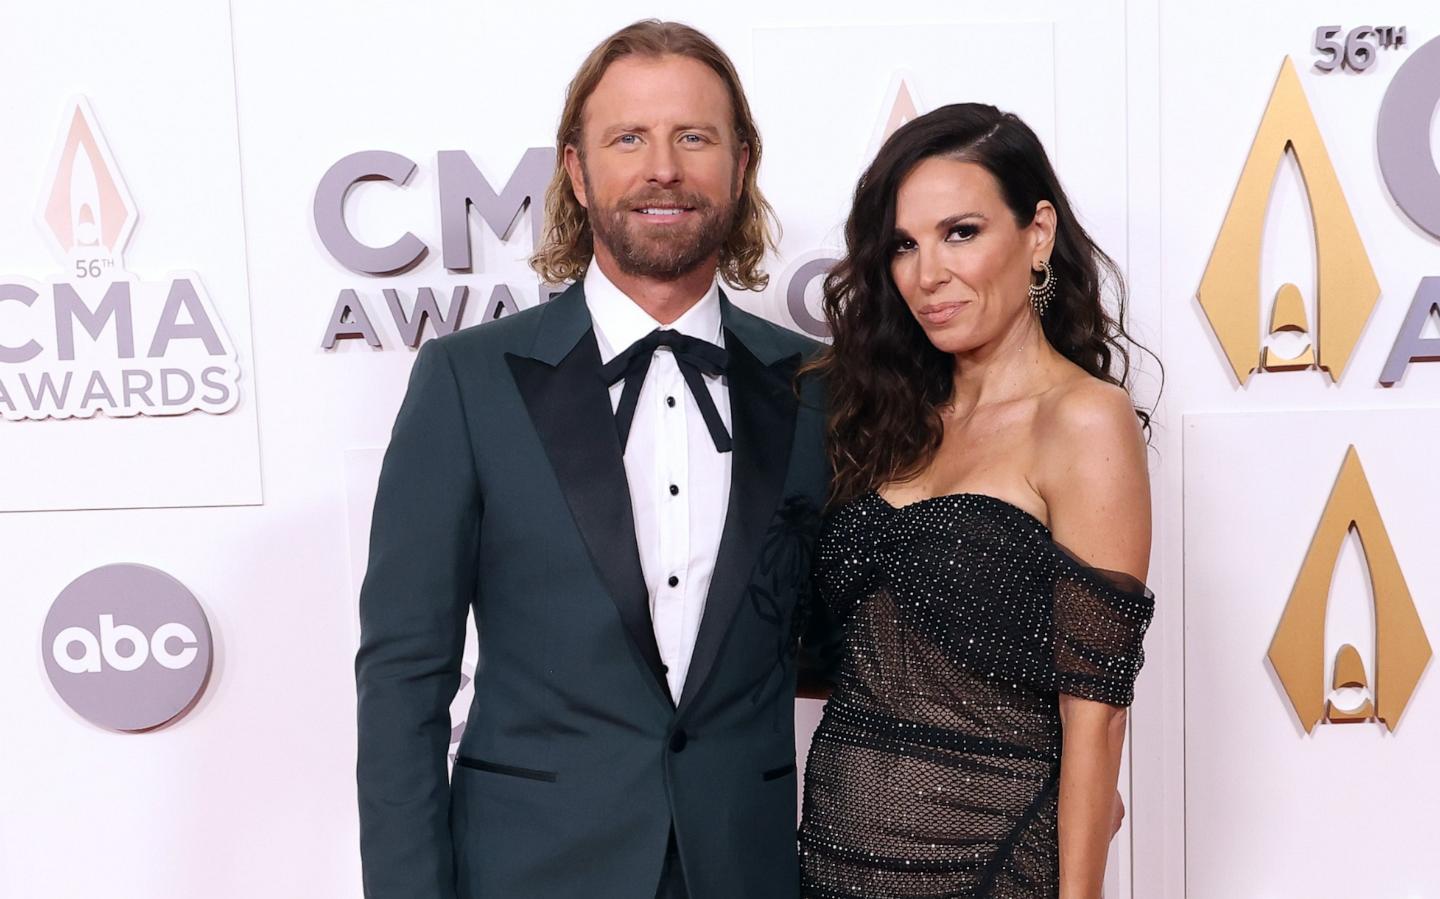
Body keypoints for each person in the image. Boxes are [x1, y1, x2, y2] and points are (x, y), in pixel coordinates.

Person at [355, 20, 836, 899]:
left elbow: (853, 639)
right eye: (629, 138)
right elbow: (402, 680)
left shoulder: (815, 388)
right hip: (529, 871)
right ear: (577, 170)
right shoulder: (467, 381)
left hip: (746, 867)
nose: (664, 167)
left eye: (694, 136)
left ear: (740, 163)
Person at [796, 103, 1156, 899]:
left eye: (961, 232)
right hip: (832, 853)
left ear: (1037, 234)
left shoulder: (1083, 419)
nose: (929, 274)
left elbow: (1095, 714)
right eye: (904, 245)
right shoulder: (881, 415)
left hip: (992, 862)